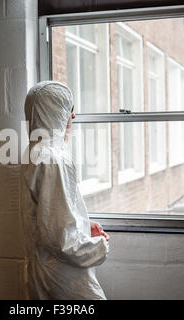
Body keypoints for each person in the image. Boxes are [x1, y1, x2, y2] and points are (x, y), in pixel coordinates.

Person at [20, 80, 110, 300]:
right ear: (55, 112)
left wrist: (83, 225)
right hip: (63, 277)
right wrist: (100, 246)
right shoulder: (52, 158)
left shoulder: (32, 151)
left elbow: (46, 217)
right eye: (69, 110)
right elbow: (61, 241)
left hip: (44, 270)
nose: (73, 117)